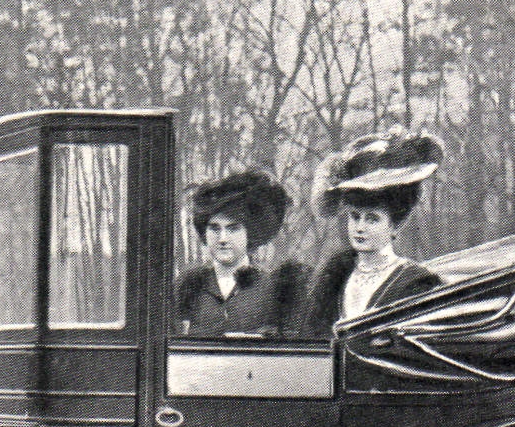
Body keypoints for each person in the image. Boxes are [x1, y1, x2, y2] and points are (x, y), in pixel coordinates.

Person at [303, 128, 444, 336]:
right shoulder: (333, 279)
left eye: (372, 219)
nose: (360, 227)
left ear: (394, 225)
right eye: (355, 216)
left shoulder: (415, 282)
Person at [174, 170, 305, 338]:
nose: (222, 239)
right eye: (214, 228)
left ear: (249, 233)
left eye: (233, 229)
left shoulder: (271, 288)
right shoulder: (188, 286)